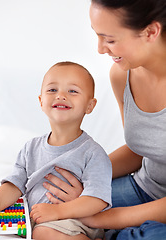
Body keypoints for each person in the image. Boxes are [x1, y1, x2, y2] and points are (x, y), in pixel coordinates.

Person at [41, 1, 166, 239]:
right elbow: (140, 148)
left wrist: (102, 218)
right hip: (142, 187)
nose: (100, 49)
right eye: (97, 36)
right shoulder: (122, 74)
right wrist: (87, 176)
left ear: (151, 32)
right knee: (50, 211)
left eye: (109, 39)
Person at [0, 61, 112, 240]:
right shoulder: (30, 148)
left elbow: (97, 199)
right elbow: (14, 185)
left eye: (72, 91)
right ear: (41, 101)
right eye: (52, 90)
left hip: (73, 219)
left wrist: (58, 211)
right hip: (35, 218)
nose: (61, 96)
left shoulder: (93, 153)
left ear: (90, 105)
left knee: (43, 232)